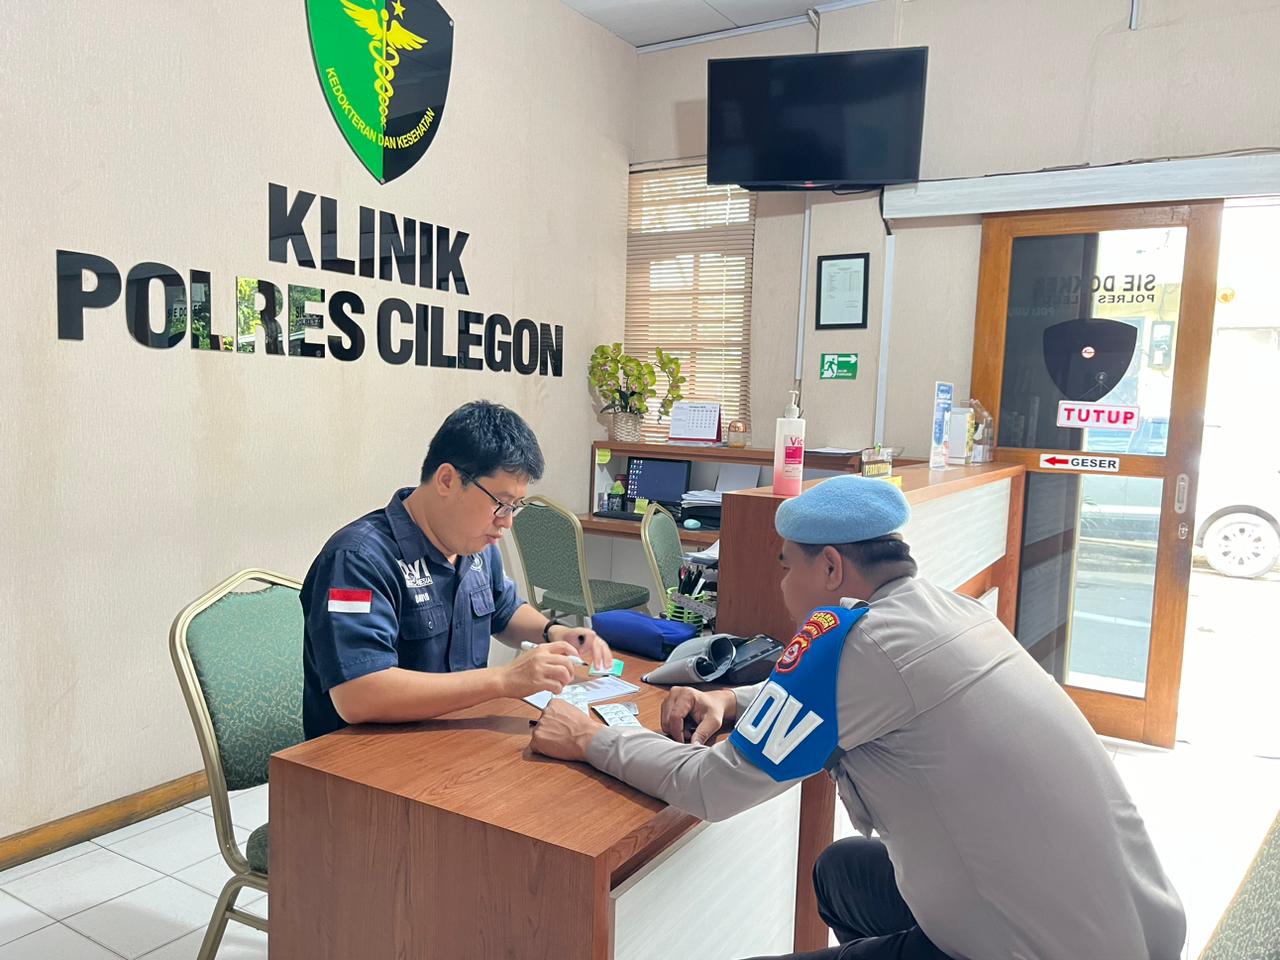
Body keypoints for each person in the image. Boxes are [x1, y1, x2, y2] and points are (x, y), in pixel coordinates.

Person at [531, 474, 1185, 960]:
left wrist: (590, 739)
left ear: (830, 567)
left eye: (787, 566)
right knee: (842, 874)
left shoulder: (853, 643)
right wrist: (729, 699)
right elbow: (850, 698)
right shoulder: (945, 611)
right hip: (1129, 925)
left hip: (1037, 949)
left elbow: (713, 786)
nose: (782, 585)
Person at [300, 400, 611, 740]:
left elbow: (504, 611)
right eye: (501, 504)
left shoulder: (474, 546)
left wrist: (554, 632)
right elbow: (359, 695)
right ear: (447, 480)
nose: (506, 522)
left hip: (455, 740)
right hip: (364, 757)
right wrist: (503, 679)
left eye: (514, 507)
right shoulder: (357, 559)